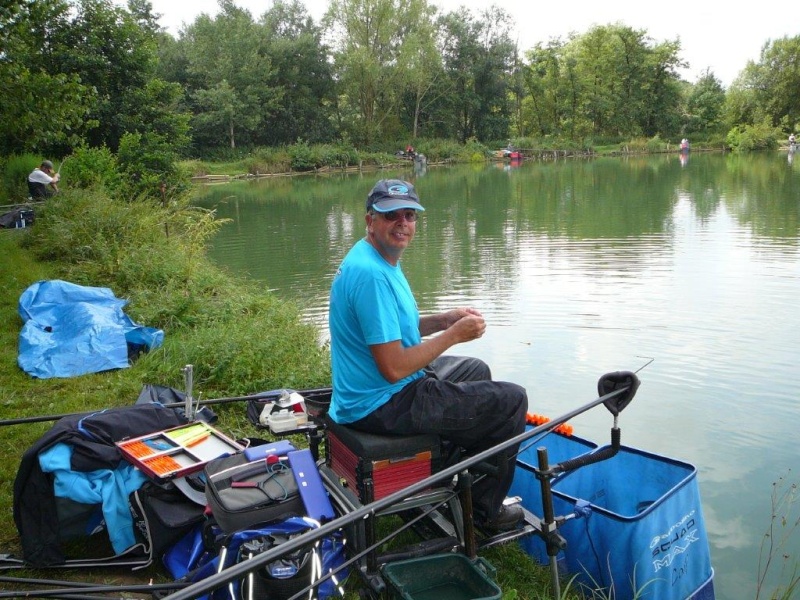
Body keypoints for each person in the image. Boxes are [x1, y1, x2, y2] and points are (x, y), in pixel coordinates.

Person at [328, 178, 529, 532]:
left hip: (373, 390)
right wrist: (452, 336)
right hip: (380, 402)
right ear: (370, 219)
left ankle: (441, 471)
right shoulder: (371, 275)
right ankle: (484, 514)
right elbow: (392, 368)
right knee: (512, 401)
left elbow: (390, 331)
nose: (402, 224)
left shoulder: (377, 258)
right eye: (391, 216)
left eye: (409, 215)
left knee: (475, 369)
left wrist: (442, 321)